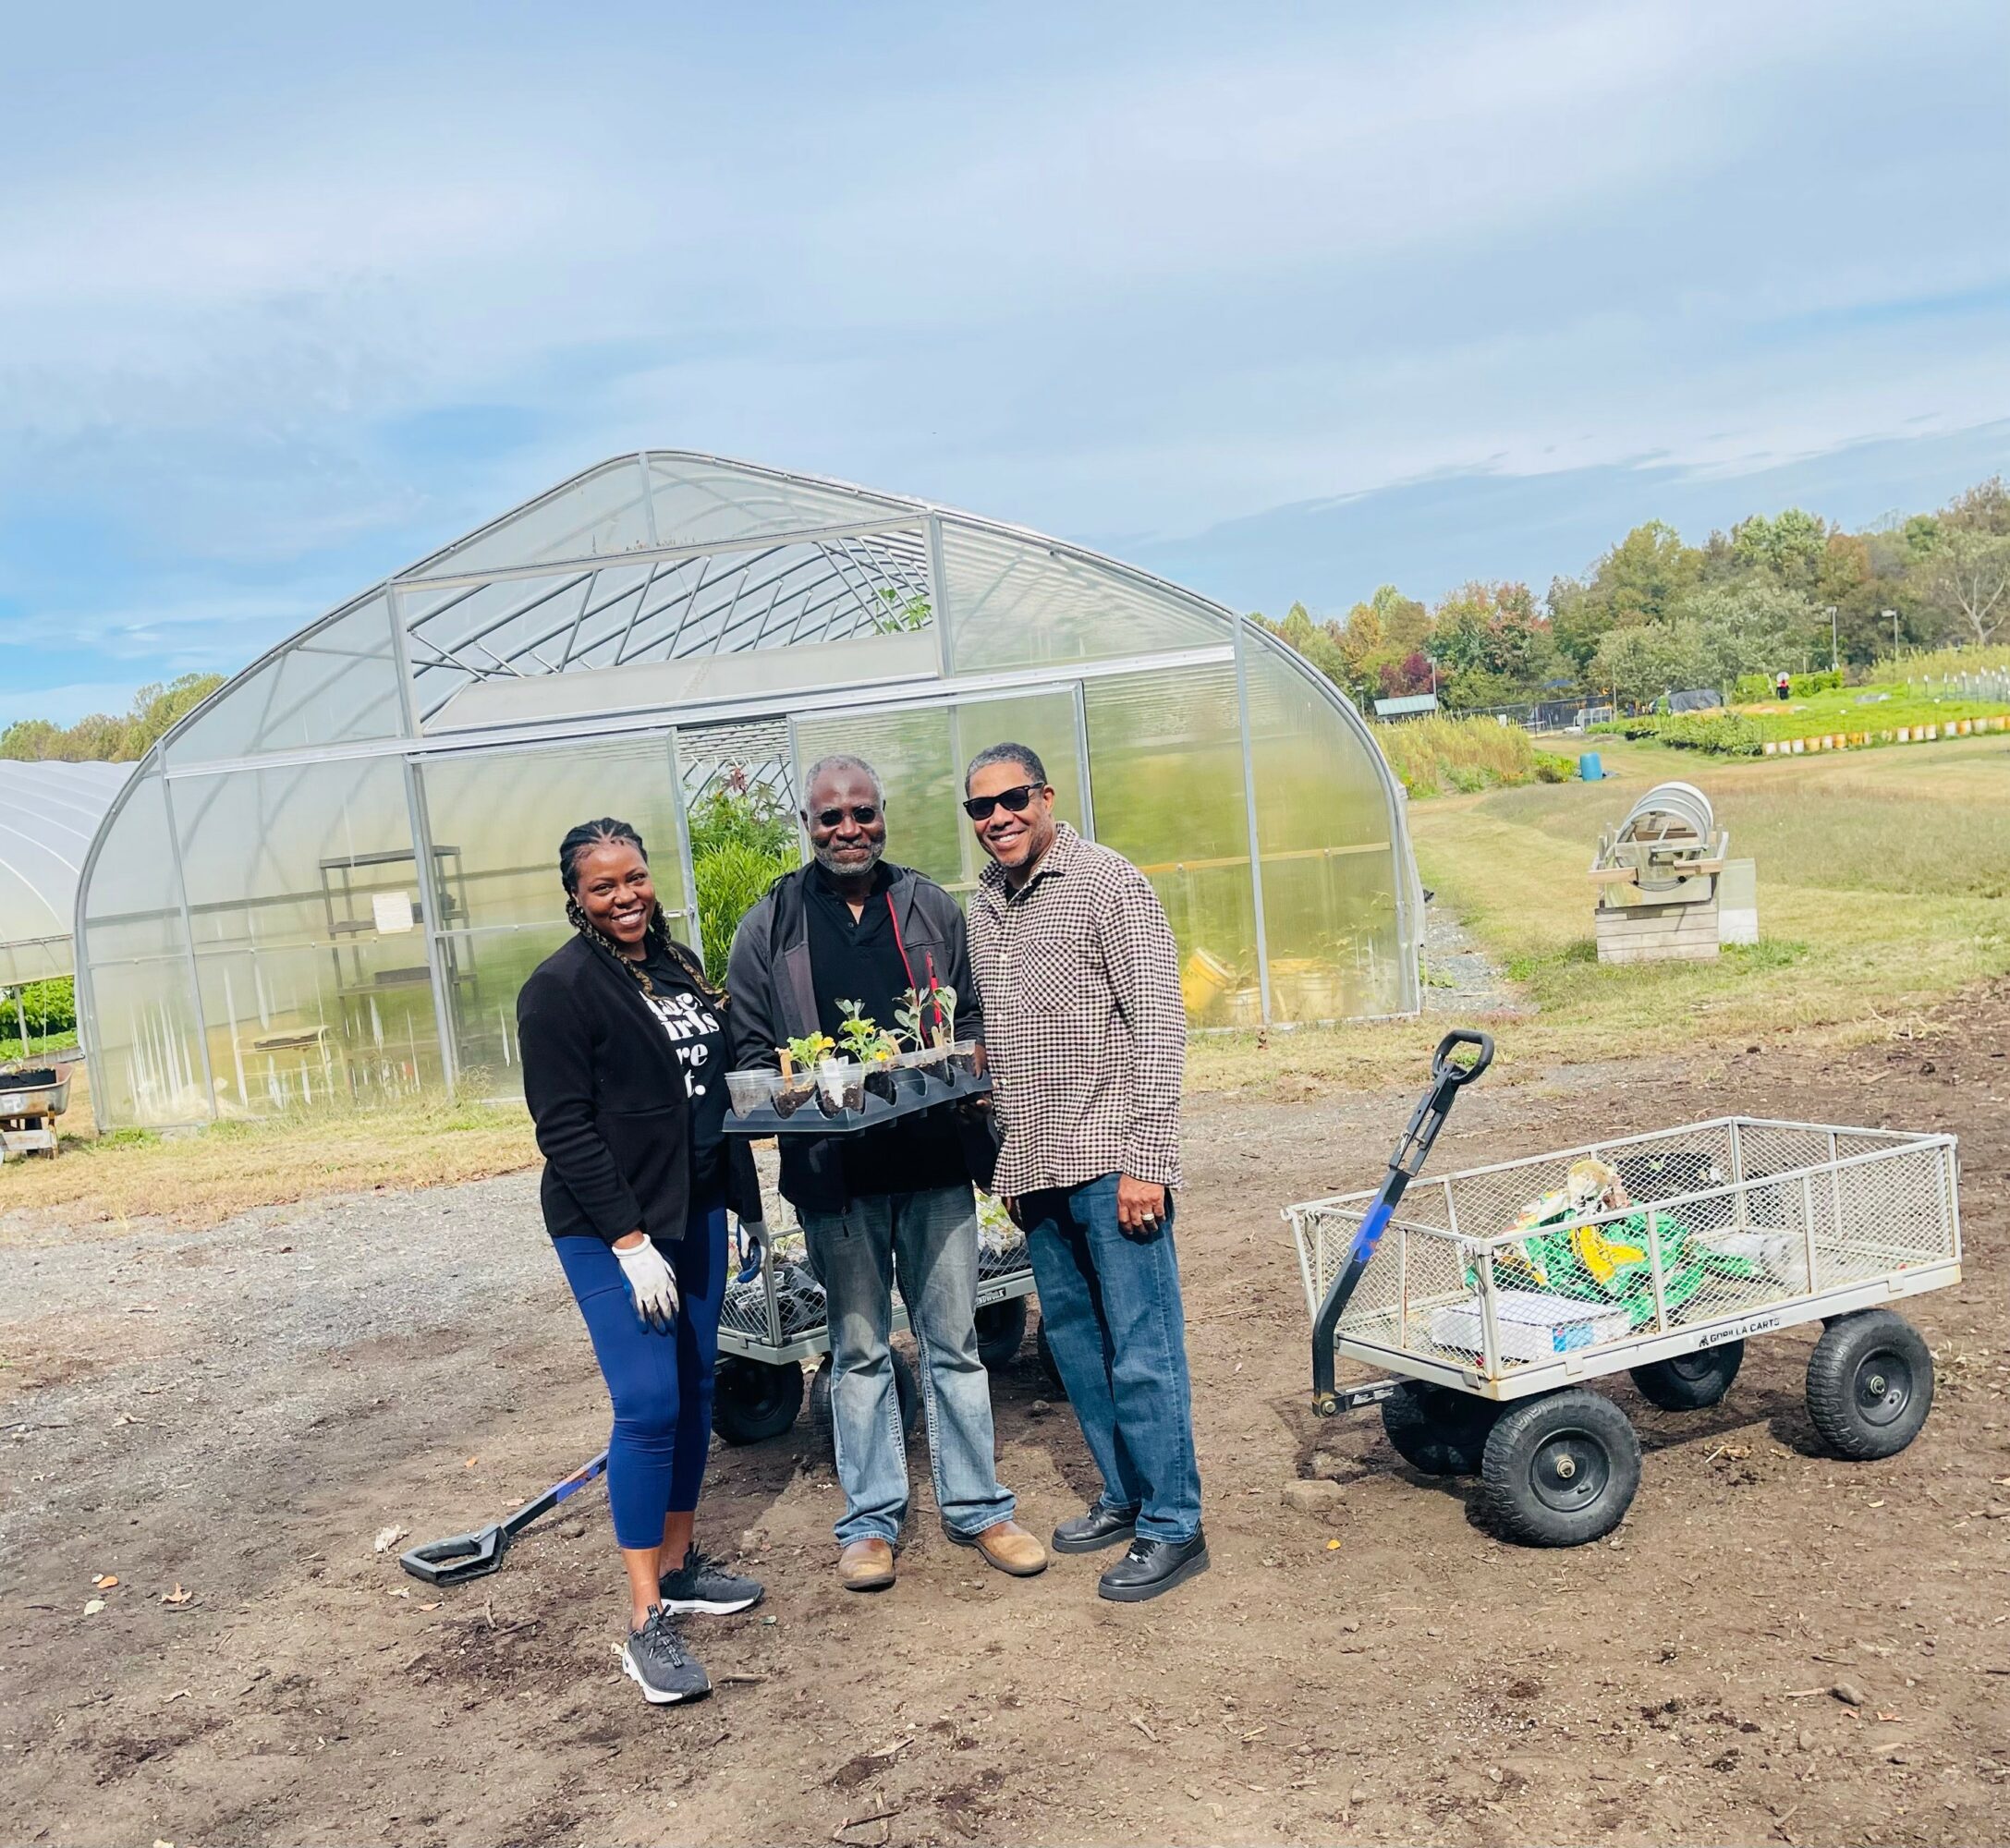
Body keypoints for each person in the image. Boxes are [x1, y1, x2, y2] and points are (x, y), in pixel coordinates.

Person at [727, 754, 1045, 1592]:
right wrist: (805, 1096)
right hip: (837, 1175)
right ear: (808, 826)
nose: (848, 830)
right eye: (830, 818)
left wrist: (967, 1074)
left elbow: (970, 1013)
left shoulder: (928, 906)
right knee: (858, 1349)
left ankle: (980, 1508)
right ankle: (870, 1523)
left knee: (955, 1343)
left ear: (882, 819)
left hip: (935, 1162)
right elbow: (752, 1050)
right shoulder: (772, 925)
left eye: (862, 814)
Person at [517, 818, 768, 1707]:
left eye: (634, 878)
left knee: (698, 1388)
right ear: (576, 897)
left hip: (694, 1211)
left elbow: (715, 1091)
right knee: (649, 1402)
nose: (624, 897)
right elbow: (564, 1128)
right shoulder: (559, 989)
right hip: (611, 1229)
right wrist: (626, 1243)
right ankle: (642, 1618)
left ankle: (681, 1562)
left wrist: (743, 1202)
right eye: (602, 886)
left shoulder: (680, 966)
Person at [962, 743, 1206, 1603]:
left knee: (1143, 1348)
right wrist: (1010, 1163)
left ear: (1045, 796)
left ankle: (1175, 1525)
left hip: (1112, 1165)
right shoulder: (985, 904)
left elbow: (1159, 1025)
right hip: (1038, 1169)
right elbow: (1007, 1045)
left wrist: (1148, 1161)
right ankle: (1127, 1495)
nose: (999, 817)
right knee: (1074, 1346)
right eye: (981, 808)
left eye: (1013, 798)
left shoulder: (1108, 883)